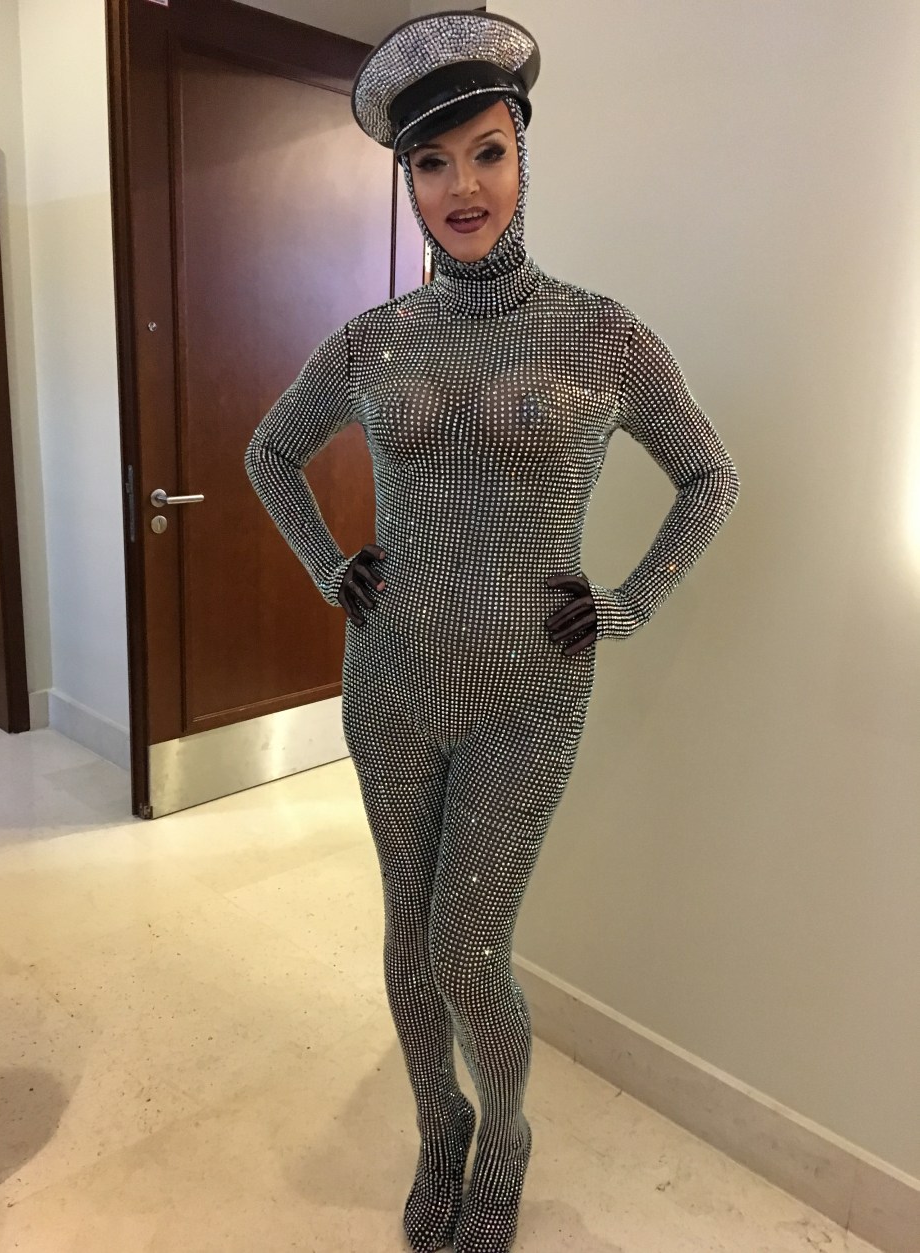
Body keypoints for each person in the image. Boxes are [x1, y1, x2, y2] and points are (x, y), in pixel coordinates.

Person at [244, 11, 740, 1252]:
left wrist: (630, 600)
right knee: (407, 932)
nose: (461, 187)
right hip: (390, 675)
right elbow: (270, 451)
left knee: (468, 944)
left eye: (485, 151)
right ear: (406, 180)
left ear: (523, 153)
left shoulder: (603, 333)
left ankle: (505, 1134)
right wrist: (329, 567)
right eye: (431, 162)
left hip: (531, 686)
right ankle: (440, 1127)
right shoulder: (373, 339)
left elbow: (709, 475)